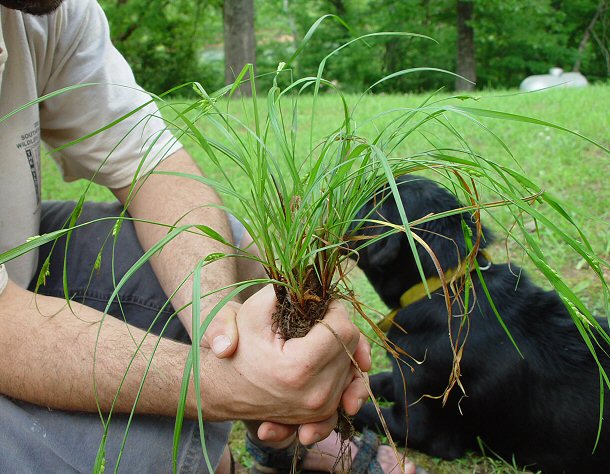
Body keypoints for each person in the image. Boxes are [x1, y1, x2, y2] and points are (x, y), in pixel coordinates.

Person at [0, 1, 416, 472]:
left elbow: (149, 162)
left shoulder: (50, 10)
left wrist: (221, 324)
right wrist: (223, 383)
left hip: (19, 261)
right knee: (145, 452)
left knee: (225, 247)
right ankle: (221, 455)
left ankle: (280, 435)